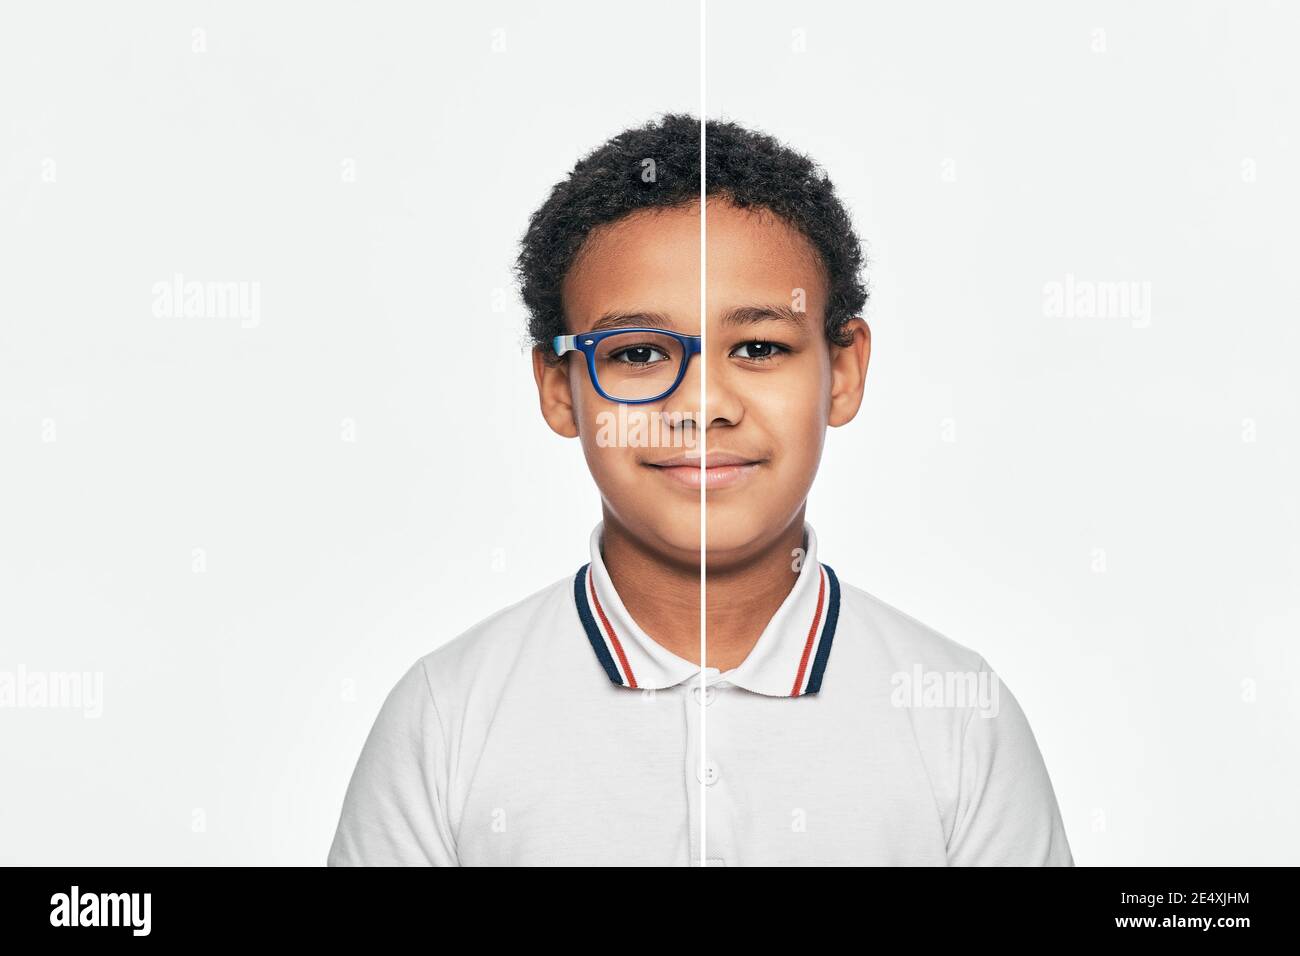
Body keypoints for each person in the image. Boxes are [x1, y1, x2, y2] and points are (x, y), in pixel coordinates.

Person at [327, 113, 1073, 866]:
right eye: (641, 352)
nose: (703, 404)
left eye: (758, 347)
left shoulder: (956, 716)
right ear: (559, 388)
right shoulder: (446, 716)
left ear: (842, 371)